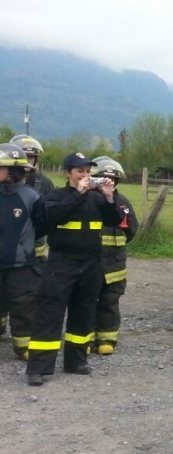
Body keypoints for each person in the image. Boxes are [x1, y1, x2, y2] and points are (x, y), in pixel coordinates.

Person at [26, 153, 125, 386]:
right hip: (62, 262)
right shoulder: (55, 196)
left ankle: (76, 361)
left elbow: (117, 220)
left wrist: (110, 198)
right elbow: (52, 217)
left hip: (91, 263)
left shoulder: (97, 198)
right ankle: (39, 368)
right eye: (80, 171)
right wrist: (79, 194)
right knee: (49, 313)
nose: (86, 176)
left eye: (89, 171)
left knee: (84, 312)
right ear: (68, 173)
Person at [1, 135, 54, 341]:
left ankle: (23, 345)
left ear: (11, 172)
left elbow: (41, 226)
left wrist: (23, 244)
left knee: (23, 304)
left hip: (22, 265)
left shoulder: (31, 196)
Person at [92, 156, 139, 355]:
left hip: (114, 264)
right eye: (103, 178)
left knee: (110, 301)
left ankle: (107, 338)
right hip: (90, 263)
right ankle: (83, 340)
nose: (108, 182)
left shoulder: (123, 203)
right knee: (85, 301)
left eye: (112, 179)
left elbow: (132, 230)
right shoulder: (89, 201)